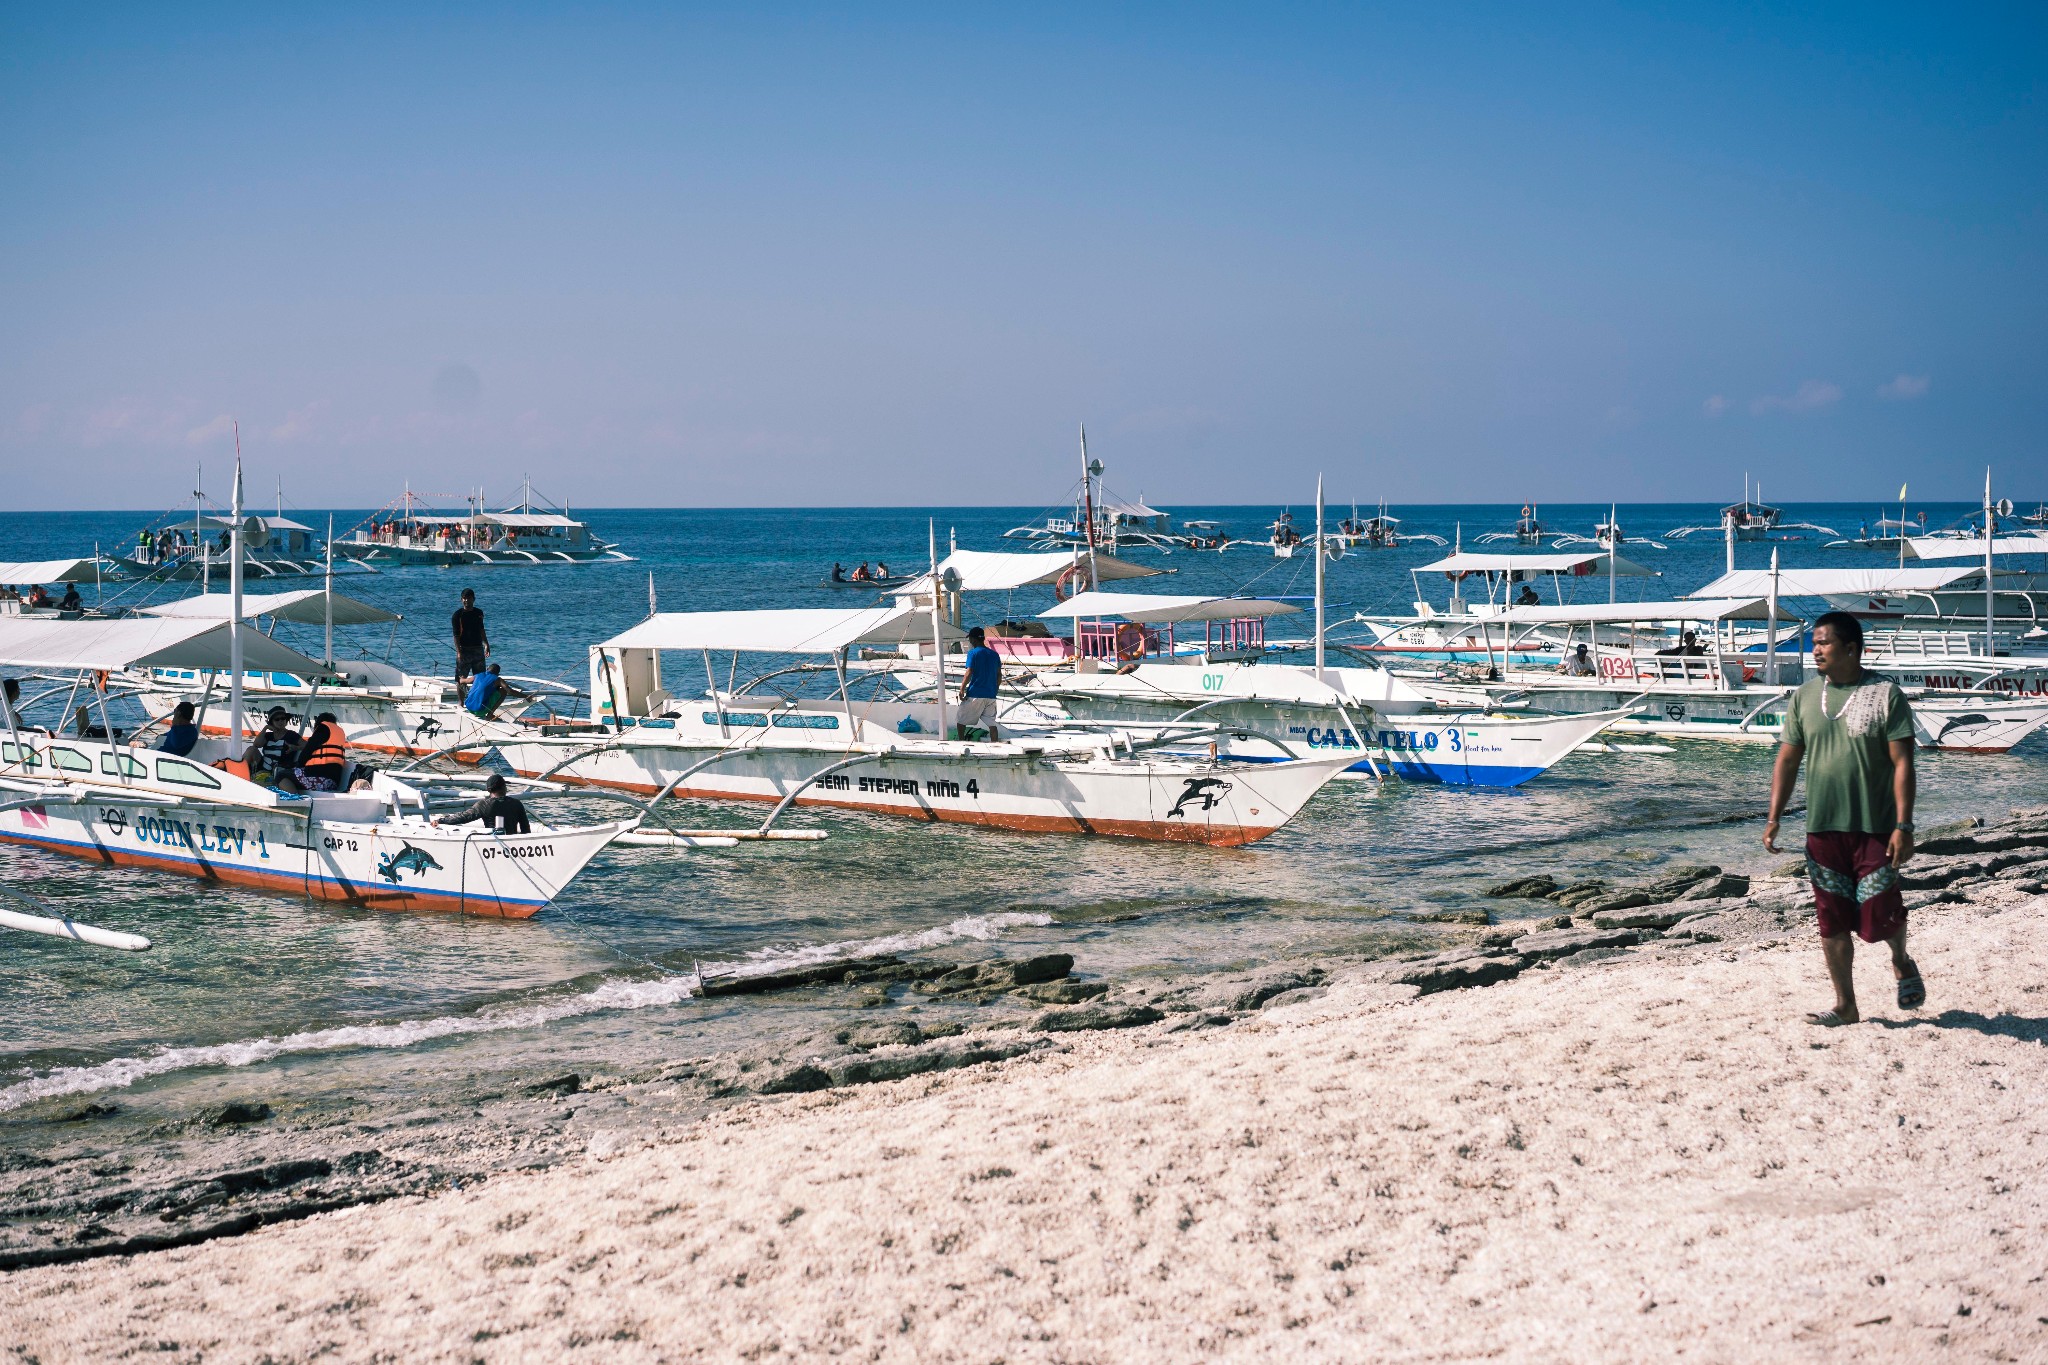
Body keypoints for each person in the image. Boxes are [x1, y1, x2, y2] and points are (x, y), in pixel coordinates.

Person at [1764, 610, 1921, 1027]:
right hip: (1823, 828)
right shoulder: (1804, 697)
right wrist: (1774, 816)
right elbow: (1788, 759)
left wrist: (1904, 826)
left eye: (1824, 642)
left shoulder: (1885, 694)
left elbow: (1903, 763)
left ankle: (1901, 960)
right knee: (1830, 918)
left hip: (1876, 829)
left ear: (1851, 649)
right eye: (1814, 642)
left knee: (1880, 911)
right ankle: (1845, 1005)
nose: (1815, 649)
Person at [432, 773, 531, 834]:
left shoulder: (483, 805)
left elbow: (463, 817)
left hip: (493, 844)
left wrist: (441, 821)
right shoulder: (517, 804)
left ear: (489, 790)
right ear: (504, 788)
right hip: (513, 843)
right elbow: (525, 829)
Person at [956, 626, 1002, 740]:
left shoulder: (973, 653)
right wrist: (995, 689)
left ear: (974, 639)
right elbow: (999, 675)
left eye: (970, 639)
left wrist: (962, 689)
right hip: (991, 695)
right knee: (992, 724)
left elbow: (969, 671)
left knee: (960, 721)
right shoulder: (994, 654)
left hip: (975, 693)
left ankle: (961, 743)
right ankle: (995, 744)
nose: (970, 641)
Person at [242, 707, 301, 785]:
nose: (280, 721)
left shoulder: (292, 735)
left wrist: (296, 748)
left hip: (280, 770)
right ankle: (240, 775)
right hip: (263, 767)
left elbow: (307, 745)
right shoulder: (268, 735)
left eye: (283, 718)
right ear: (272, 722)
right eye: (277, 719)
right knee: (251, 749)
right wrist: (265, 728)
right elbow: (256, 745)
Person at [293, 712, 348, 792]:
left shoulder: (323, 728)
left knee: (282, 775)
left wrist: (298, 766)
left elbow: (307, 751)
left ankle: (296, 802)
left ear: (318, 722)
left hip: (318, 778)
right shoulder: (339, 733)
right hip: (334, 782)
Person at [452, 588, 488, 690]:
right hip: (464, 649)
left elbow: (481, 629)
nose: (466, 600)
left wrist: (486, 644)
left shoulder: (478, 613)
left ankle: (479, 700)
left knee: (481, 677)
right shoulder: (457, 615)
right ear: (461, 600)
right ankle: (461, 703)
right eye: (464, 598)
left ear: (473, 599)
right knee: (461, 678)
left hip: (478, 648)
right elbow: (456, 635)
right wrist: (459, 652)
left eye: (469, 598)